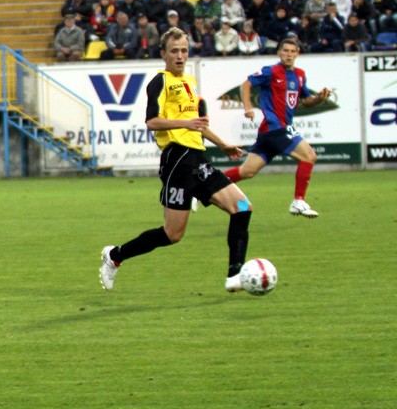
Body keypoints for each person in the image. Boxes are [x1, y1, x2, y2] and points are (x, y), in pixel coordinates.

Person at [99, 27, 251, 293]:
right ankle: (114, 256)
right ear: (163, 54)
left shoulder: (189, 83)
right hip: (177, 161)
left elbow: (198, 124)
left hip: (197, 158)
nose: (180, 56)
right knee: (172, 235)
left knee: (242, 207)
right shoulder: (160, 82)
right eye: (174, 51)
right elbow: (152, 122)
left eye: (184, 51)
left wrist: (223, 144)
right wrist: (185, 123)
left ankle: (234, 276)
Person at [223, 38, 331, 218]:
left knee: (247, 171)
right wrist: (248, 107)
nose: (289, 55)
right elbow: (246, 85)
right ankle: (298, 201)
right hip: (276, 126)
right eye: (285, 51)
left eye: (292, 51)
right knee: (309, 156)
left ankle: (205, 185)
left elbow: (306, 101)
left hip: (269, 131)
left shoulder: (300, 75)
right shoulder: (271, 71)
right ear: (279, 53)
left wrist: (319, 98)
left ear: (297, 54)